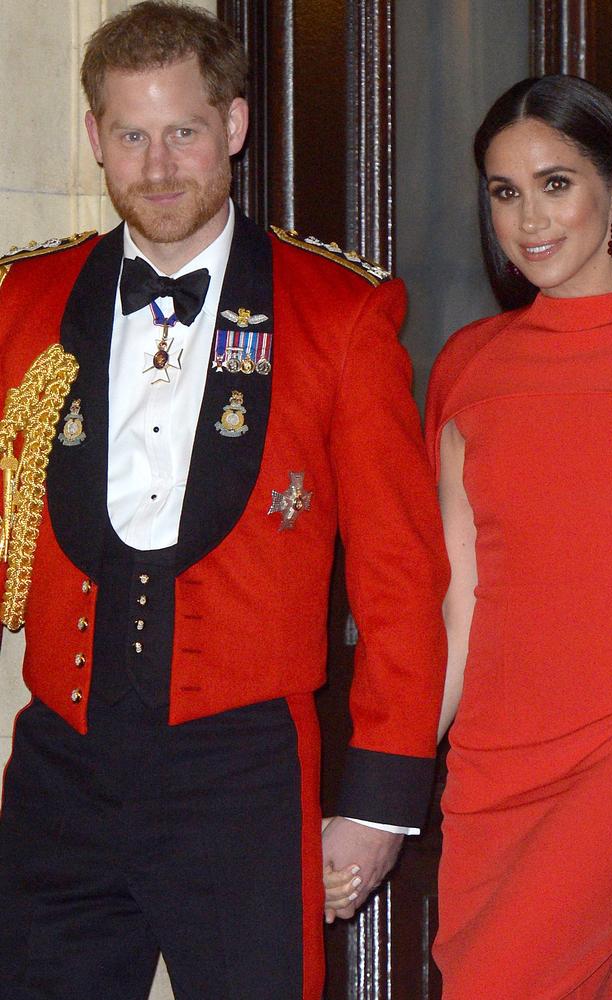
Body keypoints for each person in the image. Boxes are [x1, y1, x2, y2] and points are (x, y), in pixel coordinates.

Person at [0, 3, 449, 999]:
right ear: (96, 141)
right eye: (131, 134)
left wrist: (377, 801)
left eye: (184, 131)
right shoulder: (23, 301)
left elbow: (397, 575)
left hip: (241, 775)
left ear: (234, 128)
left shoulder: (337, 312)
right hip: (59, 771)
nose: (158, 165)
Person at [424, 74, 612, 998]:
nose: (529, 219)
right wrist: (387, 783)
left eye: (557, 183)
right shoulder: (469, 367)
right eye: (505, 192)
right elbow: (458, 603)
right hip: (498, 765)